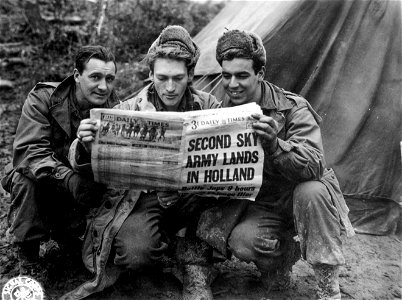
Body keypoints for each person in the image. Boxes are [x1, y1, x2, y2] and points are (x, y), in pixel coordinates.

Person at [63, 25, 221, 300]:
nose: (170, 87)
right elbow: (80, 160)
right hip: (143, 199)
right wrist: (86, 146)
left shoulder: (209, 106)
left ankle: (196, 264)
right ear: (150, 75)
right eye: (162, 78)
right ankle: (168, 248)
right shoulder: (127, 110)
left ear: (191, 75)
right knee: (135, 255)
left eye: (178, 78)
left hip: (193, 197)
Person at [197, 29, 355, 300]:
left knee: (312, 190)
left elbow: (315, 163)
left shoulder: (292, 107)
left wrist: (274, 146)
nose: (232, 84)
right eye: (226, 75)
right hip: (263, 203)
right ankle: (280, 261)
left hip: (302, 197)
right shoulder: (218, 113)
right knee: (243, 243)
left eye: (242, 75)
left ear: (260, 73)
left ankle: (328, 285)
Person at [0, 45, 119, 278]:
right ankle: (28, 253)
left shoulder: (115, 109)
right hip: (43, 180)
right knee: (26, 180)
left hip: (81, 190)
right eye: (95, 77)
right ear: (76, 76)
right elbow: (30, 152)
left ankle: (70, 236)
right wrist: (69, 178)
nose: (103, 86)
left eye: (109, 78)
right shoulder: (44, 98)